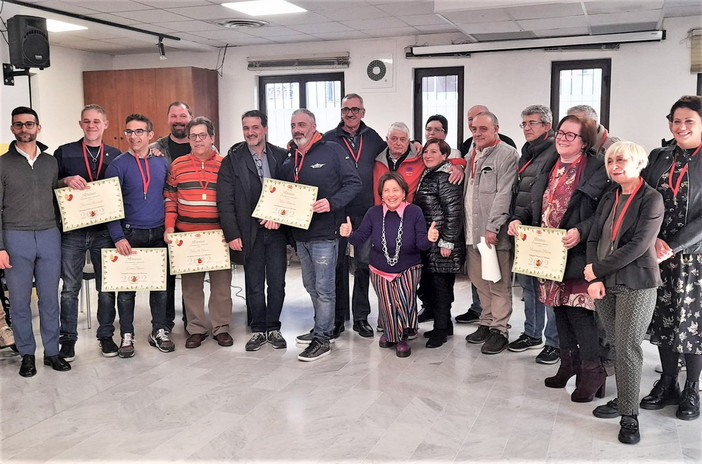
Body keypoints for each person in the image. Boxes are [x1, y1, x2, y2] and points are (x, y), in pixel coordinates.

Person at [509, 114, 610, 402]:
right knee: (560, 311)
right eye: (561, 133)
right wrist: (517, 220)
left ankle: (593, 372)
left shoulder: (595, 168)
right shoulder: (549, 165)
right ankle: (569, 365)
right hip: (548, 254)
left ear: (584, 141)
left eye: (571, 135)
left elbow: (601, 213)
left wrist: (580, 231)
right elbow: (533, 205)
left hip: (579, 252)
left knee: (579, 313)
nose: (563, 138)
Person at [584, 141, 664, 444]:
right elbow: (593, 238)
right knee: (617, 346)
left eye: (622, 160)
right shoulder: (609, 197)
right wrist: (593, 274)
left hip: (637, 282)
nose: (615, 165)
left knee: (628, 346)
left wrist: (597, 271)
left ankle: (630, 416)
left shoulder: (651, 199)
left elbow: (639, 245)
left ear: (639, 163)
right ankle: (624, 398)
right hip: (604, 282)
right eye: (611, 161)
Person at [640, 95, 702, 421]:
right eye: (676, 121)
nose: (680, 127)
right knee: (663, 321)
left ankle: (692, 388)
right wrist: (653, 240)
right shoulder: (660, 157)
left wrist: (672, 245)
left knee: (690, 324)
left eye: (689, 121)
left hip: (694, 256)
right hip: (657, 253)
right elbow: (644, 199)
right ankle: (667, 382)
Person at [282, 109, 361, 362]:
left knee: (324, 288)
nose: (297, 129)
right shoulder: (290, 157)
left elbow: (354, 183)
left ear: (314, 126)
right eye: (294, 125)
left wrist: (331, 203)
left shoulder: (332, 150)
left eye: (302, 124)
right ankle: (321, 328)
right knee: (309, 284)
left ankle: (323, 339)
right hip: (301, 235)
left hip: (326, 233)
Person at [0, 106, 70, 377]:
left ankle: (52, 352)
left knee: (49, 298)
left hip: (49, 234)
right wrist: (1, 247)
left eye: (29, 124)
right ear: (12, 129)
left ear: (38, 128)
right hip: (15, 237)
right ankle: (27, 354)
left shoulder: (50, 162)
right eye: (19, 125)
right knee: (19, 302)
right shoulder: (3, 164)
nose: (24, 129)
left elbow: (57, 195)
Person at [340, 172, 438, 357]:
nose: (391, 195)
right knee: (387, 303)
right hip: (379, 267)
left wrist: (430, 238)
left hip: (409, 267)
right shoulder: (373, 213)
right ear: (381, 194)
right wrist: (349, 234)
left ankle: (400, 337)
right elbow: (359, 239)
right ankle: (392, 333)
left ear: (403, 192)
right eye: (387, 191)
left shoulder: (414, 211)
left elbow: (421, 245)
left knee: (403, 302)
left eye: (395, 190)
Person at [54, 104, 122, 359]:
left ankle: (106, 336)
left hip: (104, 231)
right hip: (73, 231)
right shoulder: (65, 153)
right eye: (86, 121)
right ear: (80, 124)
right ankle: (68, 340)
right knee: (70, 288)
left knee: (106, 287)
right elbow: (52, 183)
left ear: (106, 124)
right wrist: (65, 180)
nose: (91, 125)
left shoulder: (116, 155)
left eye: (96, 121)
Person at [217, 110, 289, 351]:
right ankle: (258, 329)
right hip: (249, 232)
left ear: (265, 129)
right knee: (254, 283)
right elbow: (225, 201)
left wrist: (281, 218)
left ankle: (274, 327)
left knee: (277, 283)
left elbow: (290, 193)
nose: (250, 132)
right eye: (246, 128)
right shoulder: (232, 160)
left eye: (255, 127)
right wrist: (232, 234)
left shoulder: (282, 156)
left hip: (277, 231)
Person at [105, 114, 173, 358]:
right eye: (130, 132)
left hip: (157, 233)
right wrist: (117, 237)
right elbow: (110, 204)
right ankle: (126, 334)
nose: (134, 136)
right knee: (127, 289)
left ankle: (159, 330)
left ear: (150, 135)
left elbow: (169, 197)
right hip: (129, 234)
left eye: (139, 131)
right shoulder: (117, 165)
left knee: (160, 287)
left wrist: (168, 227)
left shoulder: (162, 162)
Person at [164, 116, 233, 349]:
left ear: (212, 137)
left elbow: (231, 200)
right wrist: (170, 227)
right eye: (193, 136)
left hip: (217, 236)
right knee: (191, 287)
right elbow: (171, 197)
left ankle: (221, 328)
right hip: (187, 236)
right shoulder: (177, 165)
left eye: (202, 135)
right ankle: (196, 328)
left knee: (221, 286)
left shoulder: (225, 164)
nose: (197, 140)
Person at [323, 93, 385, 339]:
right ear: (341, 112)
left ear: (363, 112)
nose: (350, 113)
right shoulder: (329, 139)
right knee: (337, 265)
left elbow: (393, 156)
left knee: (363, 264)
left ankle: (360, 317)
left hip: (366, 212)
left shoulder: (374, 139)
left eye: (355, 109)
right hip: (338, 212)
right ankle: (338, 318)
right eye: (346, 109)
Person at [507, 105, 560, 365]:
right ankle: (531, 333)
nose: (527, 127)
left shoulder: (554, 151)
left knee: (547, 288)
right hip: (525, 227)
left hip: (545, 231)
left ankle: (554, 342)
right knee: (528, 285)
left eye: (532, 123)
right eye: (524, 123)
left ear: (547, 127)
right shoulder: (526, 152)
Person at [463, 111, 518, 355]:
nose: (477, 133)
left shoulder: (507, 154)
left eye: (483, 129)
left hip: (491, 233)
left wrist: (492, 227)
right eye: (474, 129)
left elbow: (504, 194)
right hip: (472, 231)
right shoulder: (472, 153)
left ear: (496, 128)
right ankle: (486, 322)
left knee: (498, 282)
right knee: (479, 281)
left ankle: (500, 329)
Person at [413, 139, 466, 348]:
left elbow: (454, 212)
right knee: (433, 286)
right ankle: (444, 325)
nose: (428, 155)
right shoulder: (430, 174)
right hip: (430, 242)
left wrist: (447, 242)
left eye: (434, 152)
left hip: (442, 243)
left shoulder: (446, 178)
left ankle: (441, 331)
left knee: (441, 288)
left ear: (445, 157)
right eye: (426, 151)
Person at [151, 101, 195, 332]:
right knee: (165, 275)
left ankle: (192, 322)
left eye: (183, 115)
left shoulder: (202, 144)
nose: (179, 120)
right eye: (174, 116)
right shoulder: (153, 149)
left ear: (191, 117)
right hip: (164, 220)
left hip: (192, 222)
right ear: (168, 119)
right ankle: (164, 323)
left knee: (190, 276)